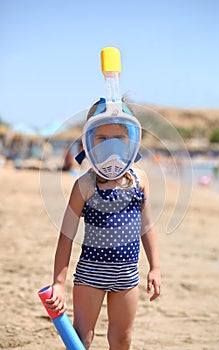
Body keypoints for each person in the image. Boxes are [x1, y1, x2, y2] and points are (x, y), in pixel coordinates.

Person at [46, 98, 161, 350]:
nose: (111, 145)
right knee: (82, 339)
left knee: (122, 339)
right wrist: (58, 283)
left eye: (119, 138)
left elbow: (147, 226)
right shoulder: (85, 186)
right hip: (91, 275)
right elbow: (66, 235)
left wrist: (155, 267)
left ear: (132, 139)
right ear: (88, 141)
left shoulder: (138, 180)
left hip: (127, 276)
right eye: (102, 138)